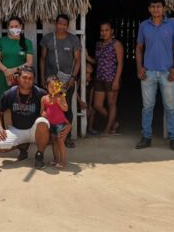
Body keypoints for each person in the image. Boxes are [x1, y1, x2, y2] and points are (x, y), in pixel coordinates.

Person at [135, 0, 174, 152]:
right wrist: (139, 67)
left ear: (164, 8)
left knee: (170, 107)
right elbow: (139, 47)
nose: (156, 9)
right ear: (149, 9)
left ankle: (173, 138)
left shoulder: (172, 25)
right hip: (148, 72)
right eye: (153, 6)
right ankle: (146, 137)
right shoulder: (144, 26)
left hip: (167, 72)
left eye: (158, 6)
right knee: (147, 107)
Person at [0, 66, 50, 169]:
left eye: (30, 78)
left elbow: (54, 108)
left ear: (33, 80)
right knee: (0, 145)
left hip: (34, 131)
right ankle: (23, 147)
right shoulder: (10, 93)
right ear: (18, 78)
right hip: (17, 130)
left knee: (42, 121)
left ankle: (39, 155)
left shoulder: (40, 93)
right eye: (24, 77)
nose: (27, 80)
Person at [39, 14, 81, 148]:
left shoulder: (73, 40)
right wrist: (42, 77)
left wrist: (73, 77)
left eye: (65, 24)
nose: (62, 26)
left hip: (67, 81)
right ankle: (52, 136)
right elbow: (42, 59)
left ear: (67, 25)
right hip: (51, 82)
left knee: (66, 108)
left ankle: (66, 137)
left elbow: (78, 60)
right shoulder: (47, 39)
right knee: (51, 108)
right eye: (60, 24)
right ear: (56, 24)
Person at [88, 21, 124, 136]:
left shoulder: (116, 44)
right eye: (102, 30)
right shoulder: (98, 45)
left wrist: (116, 80)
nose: (104, 33)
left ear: (112, 31)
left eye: (106, 30)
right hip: (99, 78)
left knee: (111, 104)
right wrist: (87, 57)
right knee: (97, 105)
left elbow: (120, 63)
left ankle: (108, 130)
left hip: (111, 78)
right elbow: (97, 62)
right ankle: (114, 123)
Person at [0, 16, 34, 100]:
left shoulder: (27, 42)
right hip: (4, 77)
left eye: (16, 26)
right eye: (11, 27)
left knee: (19, 103)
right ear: (8, 28)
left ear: (21, 26)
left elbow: (29, 62)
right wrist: (5, 70)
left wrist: (13, 70)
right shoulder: (2, 41)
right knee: (4, 102)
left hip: (21, 77)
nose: (14, 29)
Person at [41, 77, 71, 168]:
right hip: (51, 124)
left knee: (60, 141)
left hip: (60, 124)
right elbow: (42, 111)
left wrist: (60, 103)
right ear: (46, 87)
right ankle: (56, 160)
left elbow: (66, 109)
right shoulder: (44, 99)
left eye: (56, 87)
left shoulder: (61, 97)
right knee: (54, 141)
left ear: (59, 87)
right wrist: (43, 114)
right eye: (51, 86)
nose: (54, 89)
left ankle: (63, 163)